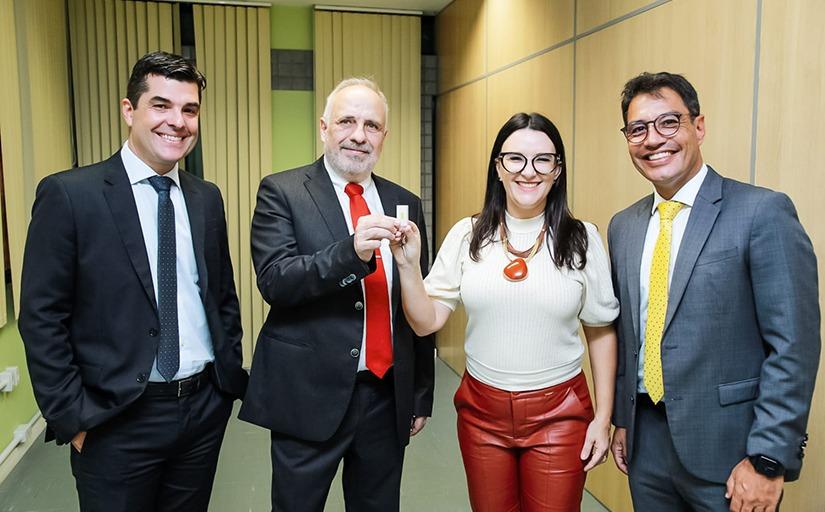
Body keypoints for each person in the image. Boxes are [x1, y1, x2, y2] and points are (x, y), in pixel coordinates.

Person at [18, 51, 247, 512]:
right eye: (161, 105)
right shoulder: (70, 195)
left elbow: (220, 297)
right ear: (129, 110)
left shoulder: (206, 198)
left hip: (202, 411)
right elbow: (42, 317)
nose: (177, 122)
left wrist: (225, 384)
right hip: (115, 418)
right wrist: (73, 418)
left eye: (189, 109)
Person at [608, 72, 820, 512]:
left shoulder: (762, 211)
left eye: (669, 123)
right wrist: (622, 420)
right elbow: (631, 334)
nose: (653, 140)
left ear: (698, 126)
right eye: (638, 129)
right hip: (646, 446)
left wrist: (767, 459)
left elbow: (794, 345)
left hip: (732, 453)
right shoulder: (623, 226)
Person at [391, 112, 619, 511]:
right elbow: (426, 320)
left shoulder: (582, 240)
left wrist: (603, 417)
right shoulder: (468, 235)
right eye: (514, 159)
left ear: (557, 170)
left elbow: (600, 331)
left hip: (560, 413)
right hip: (482, 413)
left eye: (542, 160)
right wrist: (408, 266)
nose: (528, 172)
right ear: (498, 167)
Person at [238, 77, 435, 512]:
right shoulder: (283, 191)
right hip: (308, 394)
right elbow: (276, 280)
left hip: (385, 396)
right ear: (324, 127)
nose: (359, 135)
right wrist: (351, 252)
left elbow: (418, 301)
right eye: (347, 121)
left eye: (371, 125)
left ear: (384, 136)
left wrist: (420, 392)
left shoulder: (405, 203)